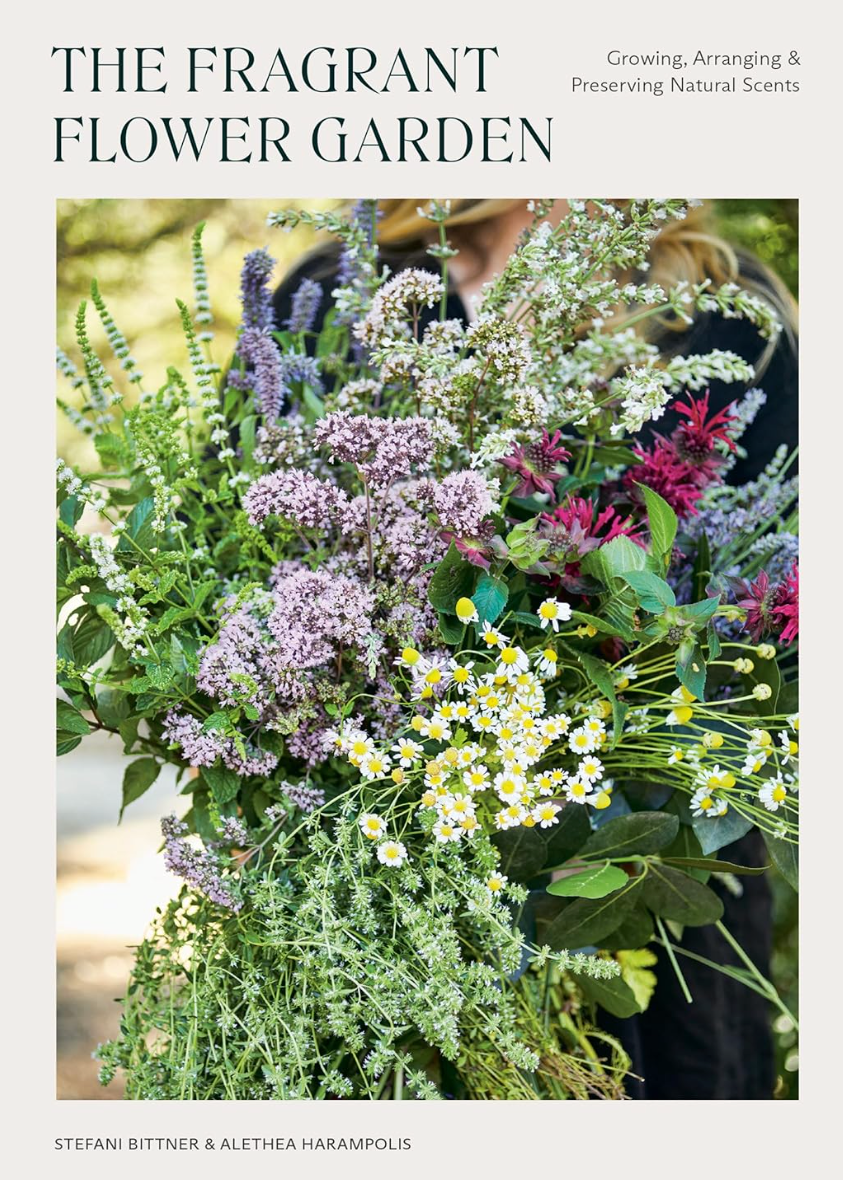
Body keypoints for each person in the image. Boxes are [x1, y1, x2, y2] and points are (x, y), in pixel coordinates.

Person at [272, 199, 799, 1099]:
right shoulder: (341, 287)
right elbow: (259, 555)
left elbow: (781, 586)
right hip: (380, 844)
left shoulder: (725, 309)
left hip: (650, 856)